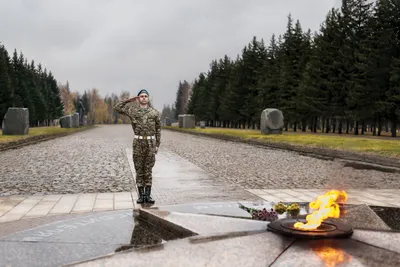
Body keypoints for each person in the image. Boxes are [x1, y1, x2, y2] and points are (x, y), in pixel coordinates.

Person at [113, 89, 161, 204]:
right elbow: (117, 107)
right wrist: (129, 100)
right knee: (139, 169)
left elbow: (158, 130)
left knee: (148, 170)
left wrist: (157, 145)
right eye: (141, 96)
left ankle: (148, 196)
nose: (143, 98)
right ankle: (141, 195)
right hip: (138, 143)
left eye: (145, 96)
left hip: (150, 143)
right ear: (138, 98)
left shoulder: (154, 113)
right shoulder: (133, 111)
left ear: (148, 98)